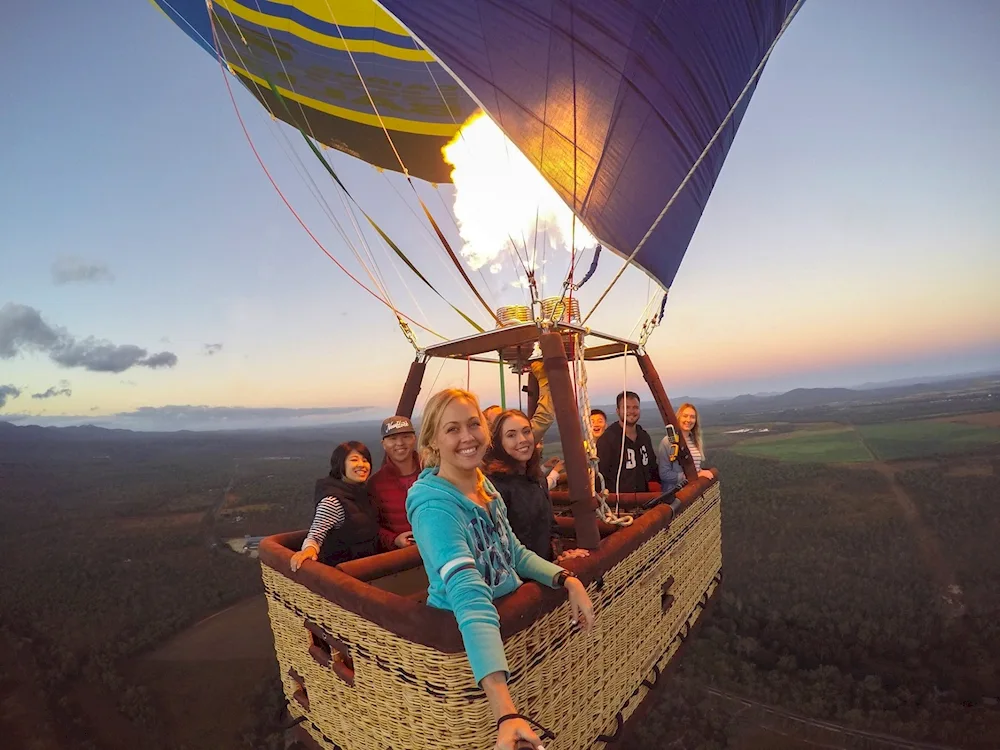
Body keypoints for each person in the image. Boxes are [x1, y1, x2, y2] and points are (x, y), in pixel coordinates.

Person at [406, 388, 594, 750]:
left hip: (506, 638)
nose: (466, 437)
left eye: (473, 424)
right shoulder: (434, 508)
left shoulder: (483, 486)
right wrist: (505, 712)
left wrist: (567, 579)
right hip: (468, 654)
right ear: (432, 440)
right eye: (452, 429)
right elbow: (470, 597)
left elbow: (515, 554)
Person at [485, 409, 589, 563]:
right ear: (499, 443)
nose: (522, 439)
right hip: (520, 578)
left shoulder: (536, 478)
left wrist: (559, 555)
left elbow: (550, 526)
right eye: (511, 435)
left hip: (545, 570)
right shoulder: (495, 486)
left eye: (526, 432)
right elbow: (500, 545)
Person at [290, 441, 378, 571]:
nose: (361, 465)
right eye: (354, 460)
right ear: (340, 465)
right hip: (344, 574)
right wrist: (308, 550)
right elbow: (315, 535)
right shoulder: (333, 501)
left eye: (365, 460)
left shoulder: (364, 492)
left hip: (365, 568)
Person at [371, 416, 420, 550]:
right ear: (384, 444)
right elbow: (372, 527)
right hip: (402, 560)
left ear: (414, 439)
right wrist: (395, 540)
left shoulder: (434, 473)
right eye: (393, 438)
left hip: (440, 550)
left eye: (405, 436)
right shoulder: (375, 484)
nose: (400, 443)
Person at [596, 391, 658, 494]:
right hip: (618, 504)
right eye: (626, 407)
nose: (631, 411)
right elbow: (600, 475)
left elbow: (652, 467)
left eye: (635, 407)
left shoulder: (644, 437)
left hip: (644, 500)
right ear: (618, 411)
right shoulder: (608, 439)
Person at [658, 402, 714, 490]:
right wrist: (693, 476)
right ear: (679, 418)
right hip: (677, 495)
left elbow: (694, 466)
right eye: (685, 416)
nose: (688, 420)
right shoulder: (668, 442)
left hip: (693, 491)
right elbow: (664, 474)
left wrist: (700, 471)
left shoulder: (694, 440)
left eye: (692, 417)